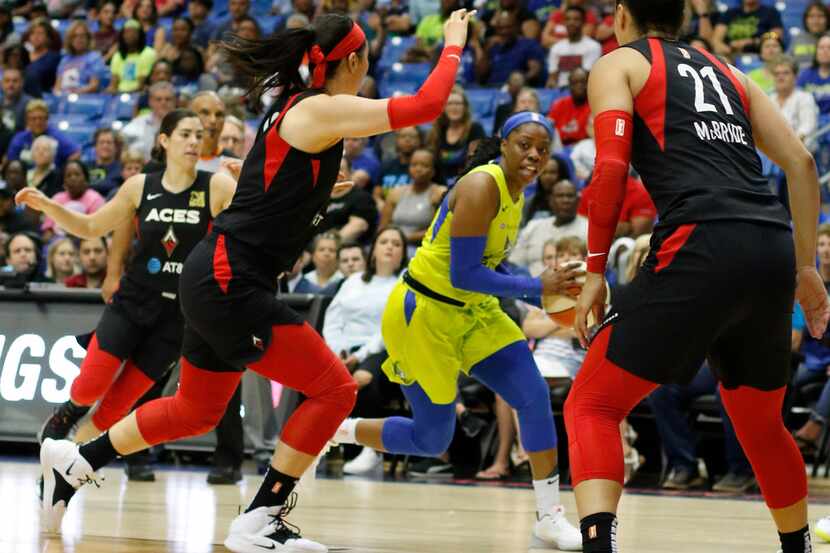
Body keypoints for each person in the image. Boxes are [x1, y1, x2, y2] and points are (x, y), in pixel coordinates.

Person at [33, 11, 475, 552]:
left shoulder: (296, 106)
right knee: (334, 389)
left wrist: (310, 192)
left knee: (196, 411)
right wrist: (453, 44)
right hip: (230, 278)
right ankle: (261, 517)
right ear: (355, 60)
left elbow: (266, 178)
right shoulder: (319, 107)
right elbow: (426, 105)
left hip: (216, 273)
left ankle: (76, 463)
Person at [562, 2, 829, 553]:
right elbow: (801, 163)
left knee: (591, 405)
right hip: (770, 247)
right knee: (759, 423)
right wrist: (808, 268)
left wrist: (594, 270)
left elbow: (611, 168)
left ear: (619, 14)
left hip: (700, 239)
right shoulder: (731, 72)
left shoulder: (620, 64)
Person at [335, 112, 584, 550]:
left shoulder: (517, 192)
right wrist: (535, 287)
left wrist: (544, 291)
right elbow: (466, 272)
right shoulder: (479, 186)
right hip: (422, 315)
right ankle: (341, 430)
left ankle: (549, 515)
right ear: (503, 144)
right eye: (524, 145)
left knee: (533, 394)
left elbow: (489, 263)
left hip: (473, 310)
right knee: (432, 440)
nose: (534, 155)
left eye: (542, 150)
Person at [23, 108, 235, 486]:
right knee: (91, 385)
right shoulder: (140, 186)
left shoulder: (216, 186)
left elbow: (257, 218)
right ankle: (61, 421)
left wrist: (298, 195)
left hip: (179, 317)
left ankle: (64, 470)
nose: (193, 141)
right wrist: (49, 206)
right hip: (134, 302)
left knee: (116, 410)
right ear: (164, 140)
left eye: (198, 135)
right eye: (185, 133)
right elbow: (91, 226)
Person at [323, 227, 407, 475]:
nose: (389, 247)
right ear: (373, 250)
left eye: (396, 243)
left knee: (364, 379)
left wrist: (359, 357)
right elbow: (333, 319)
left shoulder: (402, 284)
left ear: (403, 253)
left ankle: (371, 450)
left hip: (382, 349)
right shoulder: (352, 281)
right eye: (384, 242)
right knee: (316, 378)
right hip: (343, 350)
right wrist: (337, 351)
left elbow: (389, 328)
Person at [380, 148, 446, 255]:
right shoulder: (395, 192)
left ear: (433, 171)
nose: (418, 169)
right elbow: (382, 227)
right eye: (414, 165)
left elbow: (439, 230)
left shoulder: (439, 193)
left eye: (424, 166)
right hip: (393, 245)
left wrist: (406, 238)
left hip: (421, 248)